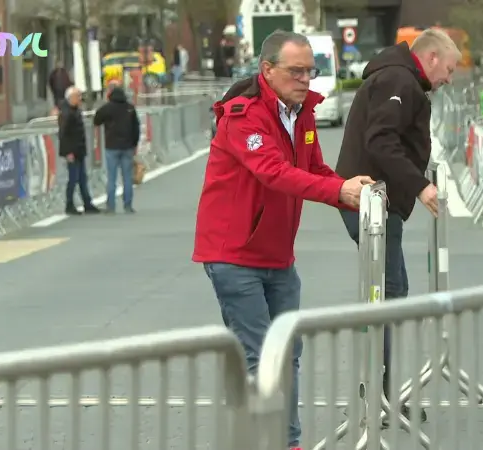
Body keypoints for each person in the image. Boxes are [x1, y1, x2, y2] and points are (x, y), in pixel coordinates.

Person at [192, 30, 374, 449]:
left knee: (287, 353)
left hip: (278, 256)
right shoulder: (244, 116)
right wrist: (337, 190)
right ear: (268, 70)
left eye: (311, 70)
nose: (305, 79)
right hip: (234, 255)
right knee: (260, 356)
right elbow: (273, 172)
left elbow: (313, 169)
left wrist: (349, 188)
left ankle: (288, 443)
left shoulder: (302, 112)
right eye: (296, 71)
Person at [334, 28, 461, 423]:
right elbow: (381, 140)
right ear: (432, 57)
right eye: (449, 70)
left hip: (376, 201)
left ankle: (378, 392)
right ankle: (375, 394)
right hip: (373, 201)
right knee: (386, 293)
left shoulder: (398, 78)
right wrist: (419, 185)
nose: (448, 80)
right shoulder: (399, 80)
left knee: (386, 292)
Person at [93, 86, 141, 214]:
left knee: (111, 177)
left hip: (112, 146)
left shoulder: (107, 108)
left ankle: (111, 206)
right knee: (127, 177)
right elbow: (136, 128)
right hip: (127, 147)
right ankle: (128, 205)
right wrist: (134, 144)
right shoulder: (130, 108)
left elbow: (96, 120)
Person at [58, 86, 100, 215]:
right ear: (70, 98)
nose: (80, 99)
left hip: (79, 149)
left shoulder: (76, 111)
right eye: (78, 96)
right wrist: (67, 152)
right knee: (73, 178)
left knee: (82, 178)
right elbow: (63, 134)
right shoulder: (66, 113)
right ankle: (69, 204)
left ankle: (87, 203)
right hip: (72, 151)